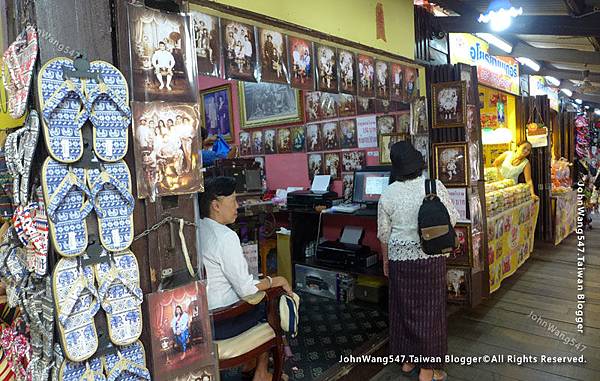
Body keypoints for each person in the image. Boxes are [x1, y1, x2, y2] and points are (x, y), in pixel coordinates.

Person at [377, 141, 459, 381]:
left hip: (400, 259)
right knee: (430, 312)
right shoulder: (433, 186)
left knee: (403, 309)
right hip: (429, 258)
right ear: (418, 163)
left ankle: (407, 360)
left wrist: (386, 262)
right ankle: (427, 369)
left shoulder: (388, 193)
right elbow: (451, 219)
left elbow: (384, 233)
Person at [198, 177, 293, 381]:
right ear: (215, 205)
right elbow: (247, 290)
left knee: (261, 297)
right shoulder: (225, 237)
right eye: (233, 201)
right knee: (269, 303)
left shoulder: (198, 228)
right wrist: (274, 281)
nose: (237, 206)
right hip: (222, 321)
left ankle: (250, 364)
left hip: (205, 318)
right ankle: (260, 373)